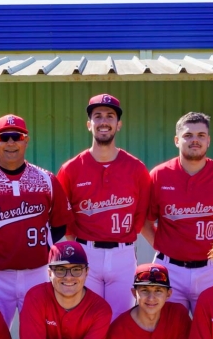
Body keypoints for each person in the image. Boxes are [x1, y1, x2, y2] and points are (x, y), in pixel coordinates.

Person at [0, 114, 73, 326]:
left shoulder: (46, 180)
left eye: (16, 136)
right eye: (4, 137)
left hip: (38, 272)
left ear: (26, 140)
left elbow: (59, 225)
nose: (10, 142)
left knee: (40, 332)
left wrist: (42, 247)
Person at [143, 112, 213, 313]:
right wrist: (161, 245)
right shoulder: (160, 175)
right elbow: (144, 221)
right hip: (170, 269)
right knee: (170, 331)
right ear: (177, 140)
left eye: (201, 135)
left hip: (212, 268)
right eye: (188, 135)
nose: (195, 140)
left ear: (208, 140)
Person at [57, 94, 151, 320]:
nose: (104, 121)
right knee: (87, 319)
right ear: (89, 124)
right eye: (97, 116)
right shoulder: (71, 169)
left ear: (119, 124)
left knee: (120, 320)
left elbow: (140, 215)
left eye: (110, 116)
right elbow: (64, 218)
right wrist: (79, 247)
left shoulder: (136, 168)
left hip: (124, 254)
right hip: (85, 252)